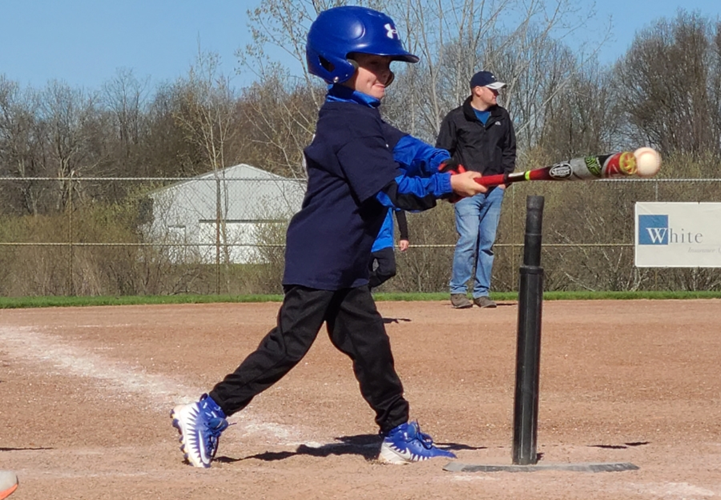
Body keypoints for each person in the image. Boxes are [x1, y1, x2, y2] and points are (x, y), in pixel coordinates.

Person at [170, 6, 486, 469]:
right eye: (374, 64)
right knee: (288, 346)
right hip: (320, 258)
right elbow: (392, 190)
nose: (386, 75)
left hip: (347, 261)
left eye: (388, 66)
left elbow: (402, 146)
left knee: (370, 344)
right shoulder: (344, 125)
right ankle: (209, 411)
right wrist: (447, 186)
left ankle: (396, 431)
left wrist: (441, 161)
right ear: (337, 62)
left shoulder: (361, 115)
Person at [436, 70, 516, 309]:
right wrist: (455, 180)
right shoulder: (456, 118)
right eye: (493, 89)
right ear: (477, 90)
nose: (497, 93)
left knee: (487, 242)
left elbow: (509, 149)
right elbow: (442, 154)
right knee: (469, 237)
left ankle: (482, 292)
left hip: (495, 189)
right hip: (467, 191)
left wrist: (504, 180)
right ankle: (458, 291)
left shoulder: (502, 116)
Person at [369, 209, 409, 290]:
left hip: (384, 240)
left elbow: (400, 211)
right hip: (363, 241)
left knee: (389, 269)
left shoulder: (389, 196)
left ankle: (365, 285)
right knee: (361, 275)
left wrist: (404, 236)